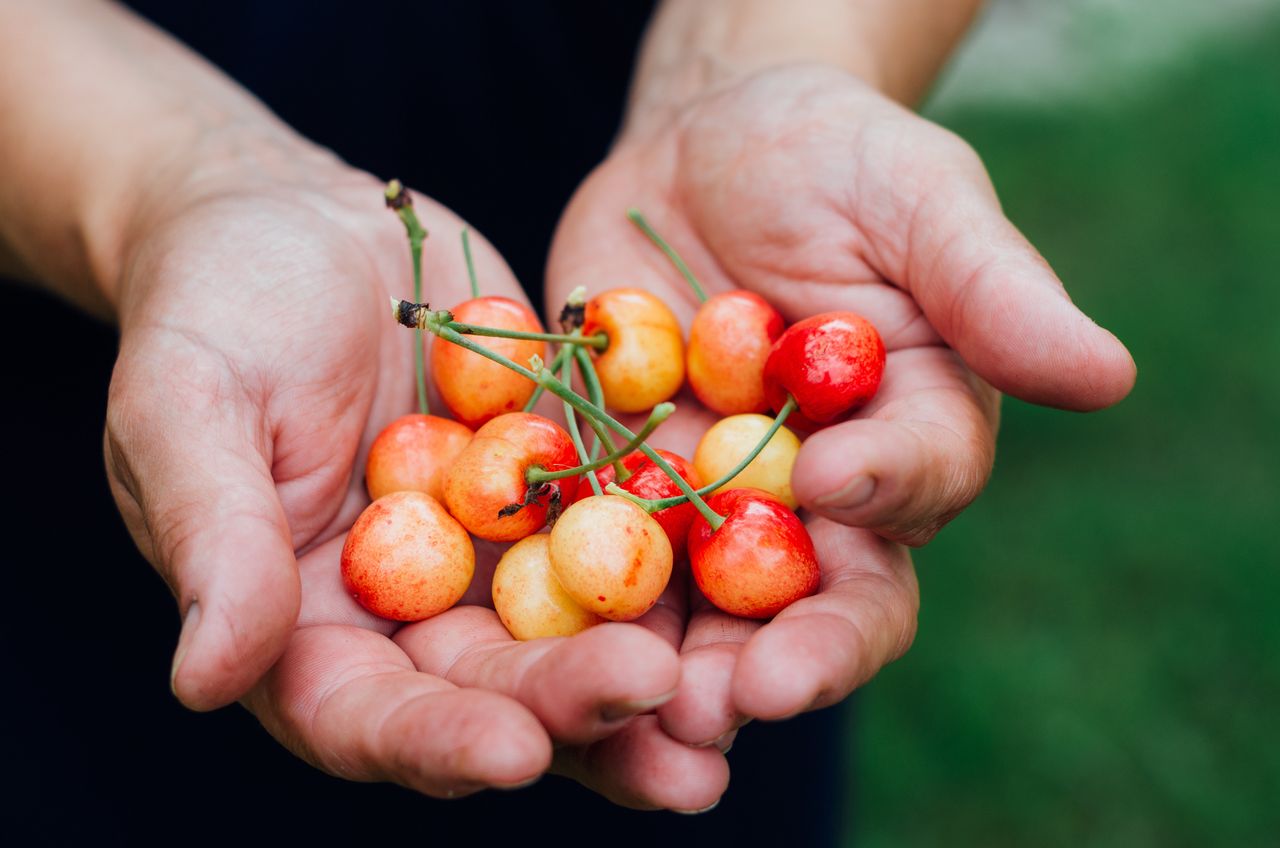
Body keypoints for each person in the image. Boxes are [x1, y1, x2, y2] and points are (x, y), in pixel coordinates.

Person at [0, 0, 1134, 838]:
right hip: (97, 282)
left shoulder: (653, 461)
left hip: (663, 166)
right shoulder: (524, 455)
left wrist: (766, 52)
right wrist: (166, 185)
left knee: (676, 726)